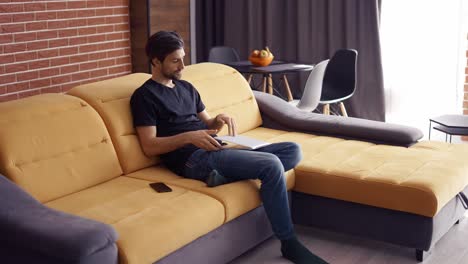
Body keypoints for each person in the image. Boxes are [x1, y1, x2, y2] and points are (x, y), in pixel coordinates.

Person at [130, 30, 328, 264]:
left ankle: (223, 177)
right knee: (271, 165)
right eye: (175, 60)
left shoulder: (186, 88)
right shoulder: (144, 96)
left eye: (183, 58)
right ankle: (289, 242)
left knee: (293, 150)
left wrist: (218, 120)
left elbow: (207, 124)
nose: (183, 65)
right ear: (155, 61)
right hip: (192, 159)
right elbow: (149, 146)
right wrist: (188, 137)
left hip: (216, 148)